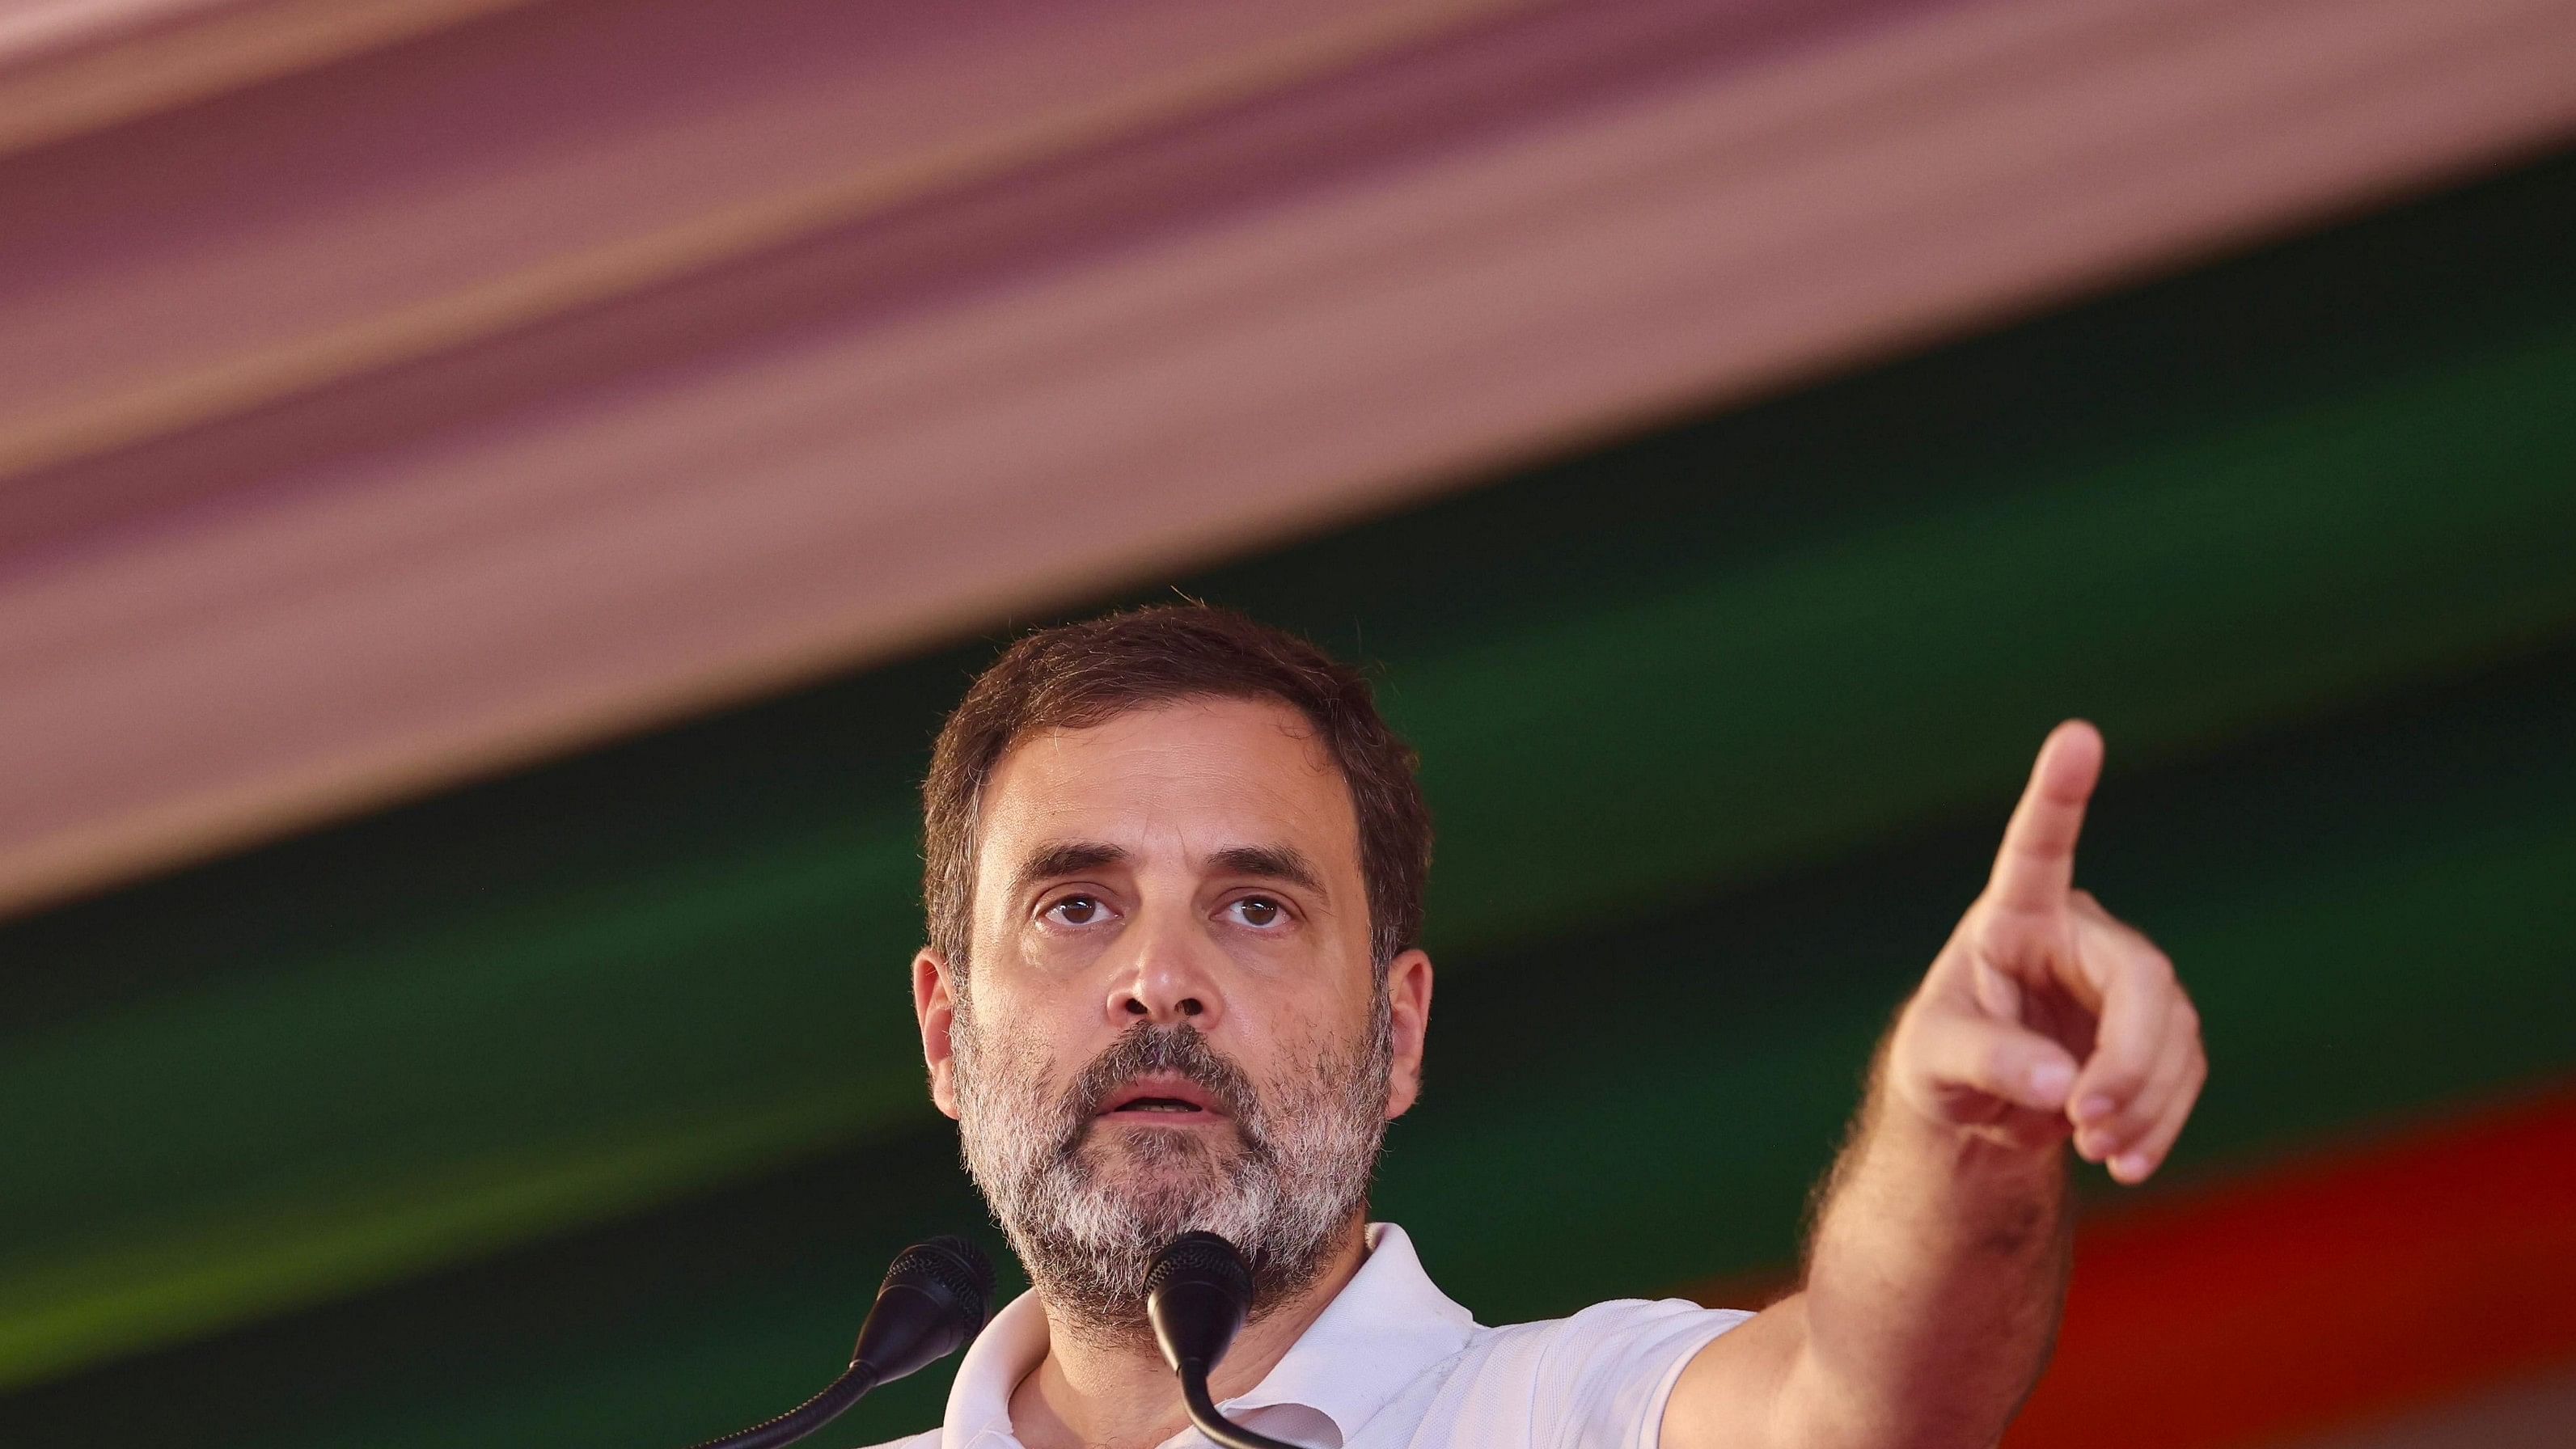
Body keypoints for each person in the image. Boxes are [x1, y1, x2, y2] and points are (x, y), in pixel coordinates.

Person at [876, 604, 2206, 1449]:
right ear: (946, 1035)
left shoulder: (1568, 1414)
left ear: (1397, 1036)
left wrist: (1959, 1136)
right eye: (1075, 906)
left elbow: (1859, 1402)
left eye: (1257, 909)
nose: (1159, 980)